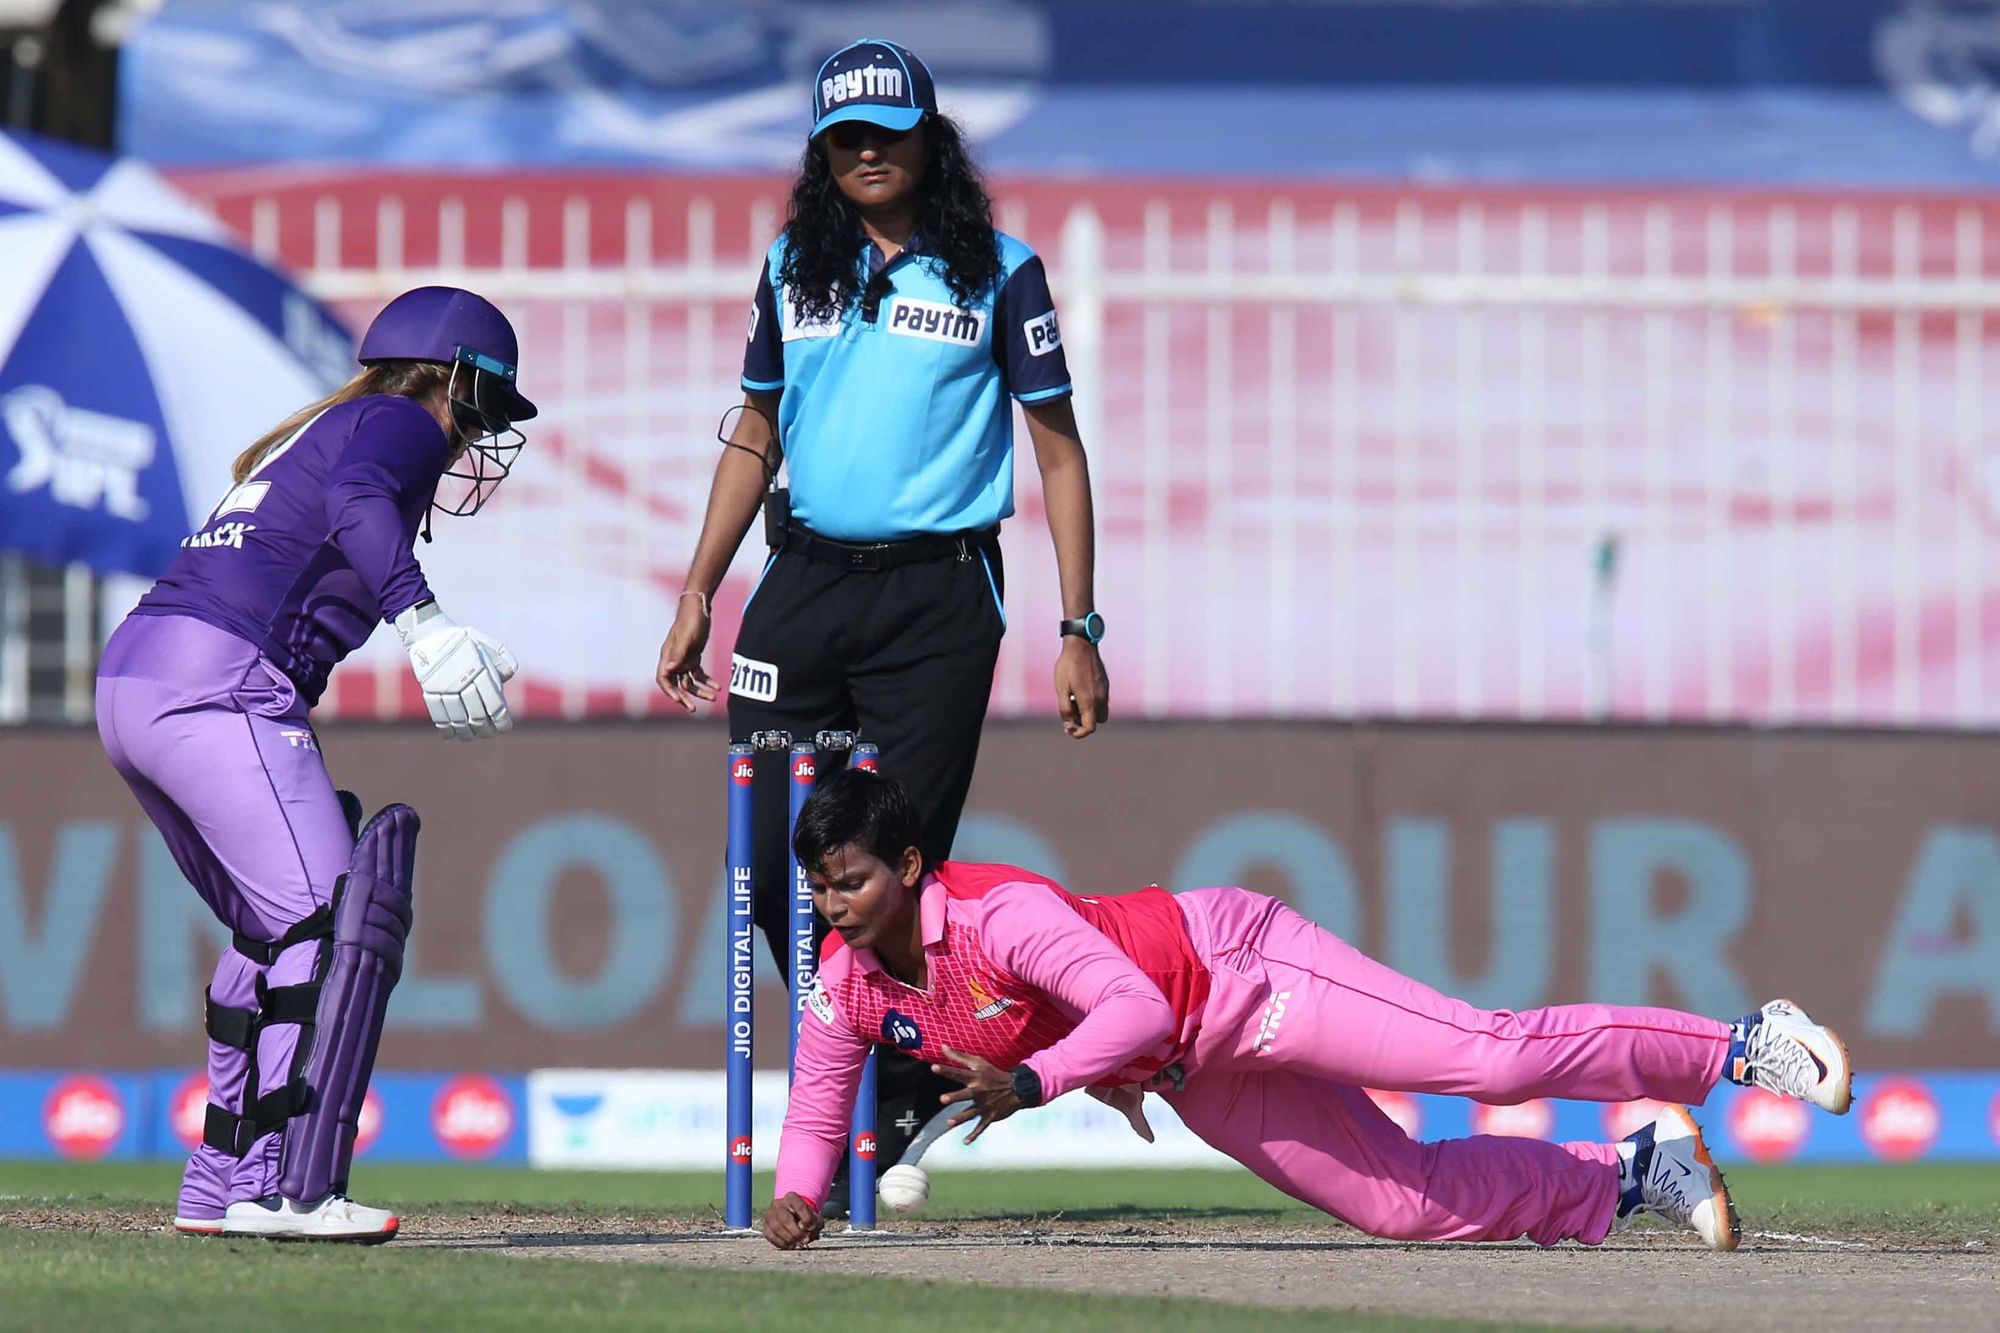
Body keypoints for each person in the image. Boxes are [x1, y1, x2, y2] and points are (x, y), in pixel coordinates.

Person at [654, 38, 1111, 1193]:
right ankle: (894, 1066)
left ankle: (899, 1097)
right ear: (820, 151)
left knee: (897, 871)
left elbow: (1056, 455)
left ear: (928, 141)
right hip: (798, 588)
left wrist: (1078, 626)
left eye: (888, 132)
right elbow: (753, 436)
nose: (867, 151)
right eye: (844, 136)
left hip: (938, 599)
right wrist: (700, 589)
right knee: (767, 869)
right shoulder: (787, 269)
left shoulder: (999, 273)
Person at [762, 769, 1856, 1252]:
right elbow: (818, 1096)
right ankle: (1629, 1175)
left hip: (1237, 972)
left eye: (850, 883)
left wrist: (1043, 1079)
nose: (833, 908)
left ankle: (1745, 1043)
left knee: (1485, 1058)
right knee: (1399, 1207)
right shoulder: (845, 976)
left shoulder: (998, 913)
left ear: (909, 866)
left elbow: (1130, 1003)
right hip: (1192, 1068)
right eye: (818, 890)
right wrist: (799, 1196)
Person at [95, 286, 534, 1242]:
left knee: (270, 930)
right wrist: (423, 621)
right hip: (219, 680)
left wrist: (437, 624)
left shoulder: (334, 425)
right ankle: (286, 1186)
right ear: (451, 375)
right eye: (485, 407)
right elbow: (357, 503)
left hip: (135, 677)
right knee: (333, 925)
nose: (477, 438)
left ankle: (220, 1180)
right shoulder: (396, 420)